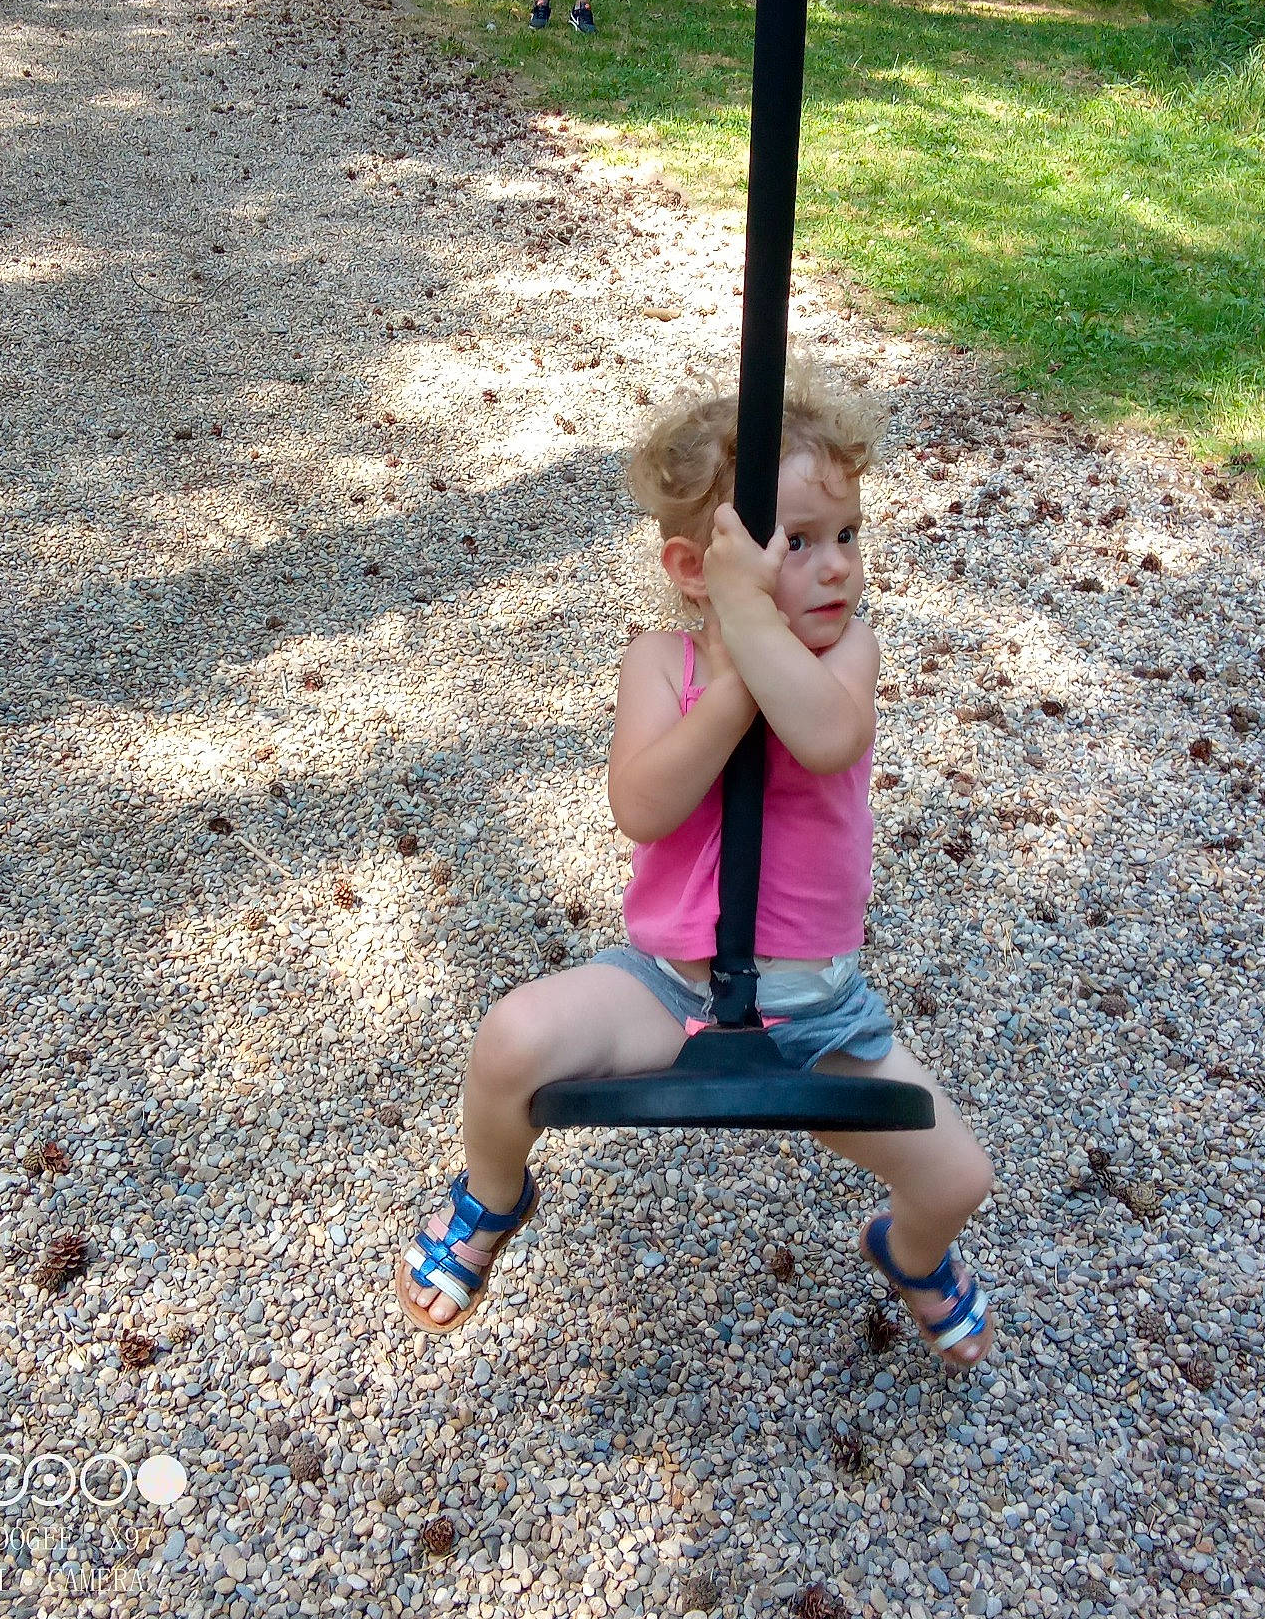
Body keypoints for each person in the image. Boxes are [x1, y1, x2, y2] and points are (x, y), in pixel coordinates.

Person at [397, 373, 996, 1370]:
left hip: (818, 1013)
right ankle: (492, 1192)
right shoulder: (658, 663)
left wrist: (756, 629)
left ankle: (909, 1252)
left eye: (846, 534)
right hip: (666, 985)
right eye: (795, 542)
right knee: (510, 1041)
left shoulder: (847, 655)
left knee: (957, 1181)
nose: (836, 565)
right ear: (693, 567)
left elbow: (824, 737)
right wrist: (726, 686)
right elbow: (644, 804)